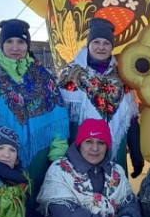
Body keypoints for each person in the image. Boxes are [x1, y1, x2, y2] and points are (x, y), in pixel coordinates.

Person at [0, 19, 70, 199]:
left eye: (20, 42)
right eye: (9, 42)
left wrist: (57, 154)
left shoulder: (43, 76)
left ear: (27, 45)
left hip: (39, 155)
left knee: (35, 203)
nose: (15, 47)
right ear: (1, 44)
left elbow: (58, 114)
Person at [58, 18, 144, 178]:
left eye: (106, 43)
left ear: (112, 46)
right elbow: (59, 120)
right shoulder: (71, 74)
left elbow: (131, 119)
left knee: (114, 195)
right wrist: (59, 154)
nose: (101, 47)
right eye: (96, 42)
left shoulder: (122, 75)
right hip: (81, 152)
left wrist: (136, 154)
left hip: (115, 152)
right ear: (88, 44)